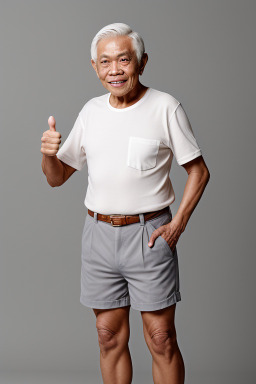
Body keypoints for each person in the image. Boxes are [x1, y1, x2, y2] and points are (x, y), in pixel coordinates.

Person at [41, 22, 210, 384]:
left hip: (149, 235)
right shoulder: (90, 112)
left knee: (161, 339)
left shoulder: (165, 107)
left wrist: (177, 224)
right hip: (98, 236)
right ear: (94, 67)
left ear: (141, 62)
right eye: (105, 62)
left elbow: (199, 171)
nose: (114, 70)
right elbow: (57, 177)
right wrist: (49, 155)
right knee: (108, 337)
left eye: (124, 60)